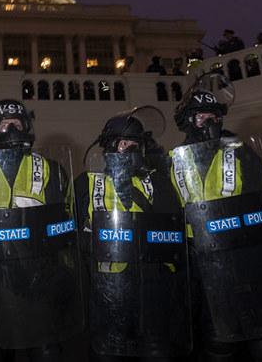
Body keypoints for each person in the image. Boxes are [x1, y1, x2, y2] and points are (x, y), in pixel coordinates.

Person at [170, 74, 262, 362]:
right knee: (217, 338)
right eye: (201, 116)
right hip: (199, 260)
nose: (209, 122)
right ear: (188, 121)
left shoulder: (241, 153)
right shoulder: (171, 159)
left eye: (213, 116)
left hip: (245, 253)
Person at [0, 99, 82, 362]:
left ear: (29, 129)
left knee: (46, 350)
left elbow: (65, 218)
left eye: (17, 123)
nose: (11, 129)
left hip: (38, 268)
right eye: (4, 124)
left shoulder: (50, 169)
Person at [77, 107, 189, 361]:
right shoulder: (88, 182)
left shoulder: (157, 181)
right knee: (108, 350)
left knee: (156, 349)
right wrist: (85, 240)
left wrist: (134, 188)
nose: (129, 149)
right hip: (108, 283)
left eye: (135, 144)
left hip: (152, 280)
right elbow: (67, 228)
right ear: (109, 147)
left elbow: (171, 223)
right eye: (123, 143)